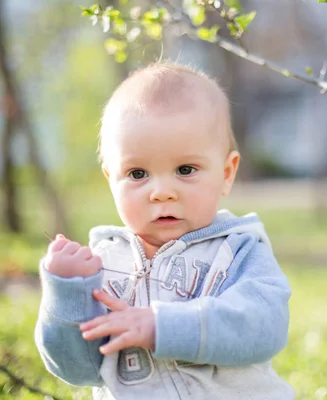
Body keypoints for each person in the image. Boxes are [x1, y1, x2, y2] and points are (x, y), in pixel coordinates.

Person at [35, 62, 294, 399]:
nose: (161, 192)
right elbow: (77, 369)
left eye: (185, 169)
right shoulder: (101, 264)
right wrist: (68, 294)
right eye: (138, 173)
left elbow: (264, 327)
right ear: (110, 179)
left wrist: (164, 327)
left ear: (227, 173)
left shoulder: (238, 249)